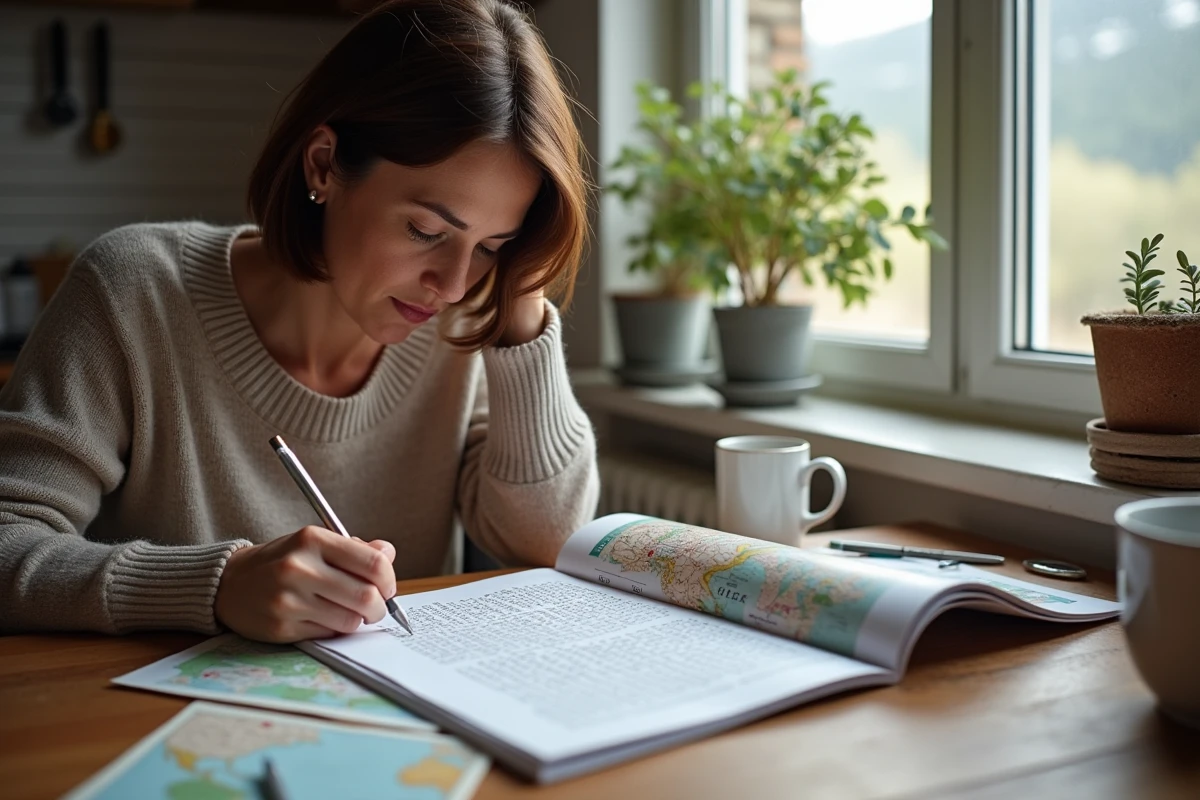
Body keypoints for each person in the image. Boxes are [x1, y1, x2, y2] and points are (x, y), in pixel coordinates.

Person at [0, 0, 599, 642]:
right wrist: (217, 586)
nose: (453, 285)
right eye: (426, 230)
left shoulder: (464, 326)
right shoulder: (132, 292)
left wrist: (522, 299)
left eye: (491, 245)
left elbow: (548, 541)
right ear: (323, 165)